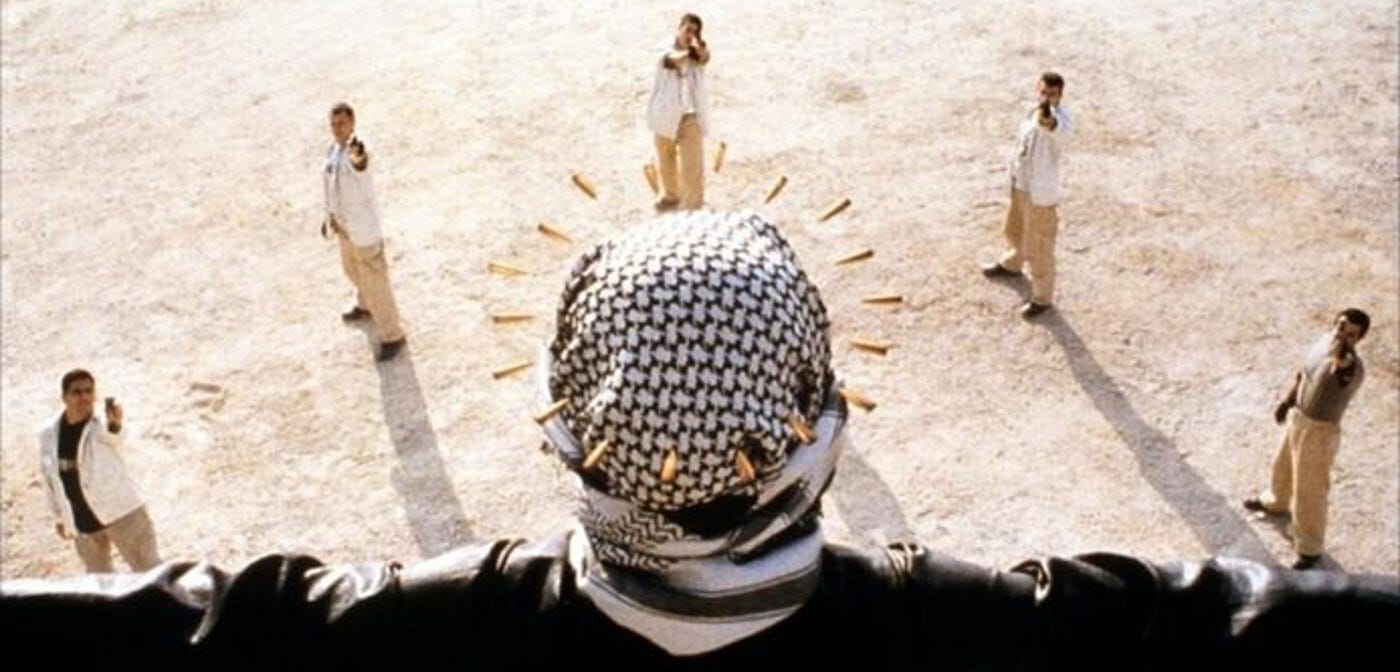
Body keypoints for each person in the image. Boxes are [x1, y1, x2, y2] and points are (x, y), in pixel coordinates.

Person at [3, 216, 1395, 670]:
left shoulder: (418, 632)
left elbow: (186, 622)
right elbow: (1236, 613)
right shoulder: (981, 631)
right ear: (819, 418)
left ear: (568, 410)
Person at [1245, 309, 1370, 570]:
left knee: (1310, 489)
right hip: (1299, 417)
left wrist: (1342, 358)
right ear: (1335, 321)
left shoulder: (1352, 367)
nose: (1343, 334)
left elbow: (1342, 373)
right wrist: (1288, 400)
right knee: (1282, 465)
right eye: (1342, 326)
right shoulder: (1323, 342)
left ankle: (1310, 547)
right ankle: (1275, 502)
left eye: (1351, 334)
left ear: (1358, 339)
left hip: (1320, 432)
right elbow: (1303, 375)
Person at [36, 368, 160, 573]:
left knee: (149, 571)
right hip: (81, 519)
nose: (84, 397)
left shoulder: (101, 424)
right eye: (77, 392)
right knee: (99, 583)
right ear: (64, 397)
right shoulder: (48, 434)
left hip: (122, 511)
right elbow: (50, 479)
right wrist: (59, 517)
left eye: (89, 391)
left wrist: (115, 424)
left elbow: (115, 436)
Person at [981, 72, 1073, 318]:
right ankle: (1012, 263)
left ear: (1059, 96)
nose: (1046, 97)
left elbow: (1056, 128)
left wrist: (1048, 121)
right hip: (1021, 184)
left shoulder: (1060, 119)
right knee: (1015, 228)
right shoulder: (1030, 113)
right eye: (1043, 92)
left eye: (1052, 94)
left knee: (1041, 246)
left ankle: (1042, 298)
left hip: (1041, 194)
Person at [323, 101, 407, 362]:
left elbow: (360, 162)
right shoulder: (333, 150)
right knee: (352, 269)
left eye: (343, 123)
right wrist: (330, 217)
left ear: (353, 123)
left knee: (375, 280)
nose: (338, 128)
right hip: (344, 227)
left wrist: (357, 157)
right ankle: (364, 304)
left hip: (363, 229)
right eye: (334, 124)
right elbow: (331, 184)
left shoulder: (358, 148)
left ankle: (392, 335)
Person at [645, 13, 710, 212]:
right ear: (679, 29)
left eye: (695, 32)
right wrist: (690, 52)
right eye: (687, 30)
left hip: (690, 116)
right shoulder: (664, 48)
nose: (690, 35)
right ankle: (671, 197)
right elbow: (671, 61)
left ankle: (692, 208)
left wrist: (698, 50)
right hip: (666, 114)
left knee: (693, 166)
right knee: (666, 160)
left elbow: (705, 57)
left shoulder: (697, 52)